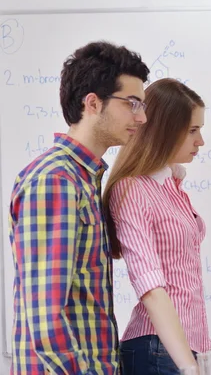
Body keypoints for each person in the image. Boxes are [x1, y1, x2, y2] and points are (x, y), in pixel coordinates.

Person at [9, 41, 149, 374]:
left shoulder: (85, 178)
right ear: (92, 103)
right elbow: (45, 319)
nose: (141, 117)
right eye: (132, 104)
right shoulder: (55, 179)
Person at [103, 78, 211, 374]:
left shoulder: (172, 186)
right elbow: (150, 286)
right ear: (163, 130)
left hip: (181, 346)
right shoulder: (132, 190)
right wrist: (189, 367)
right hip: (157, 349)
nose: (200, 141)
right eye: (192, 131)